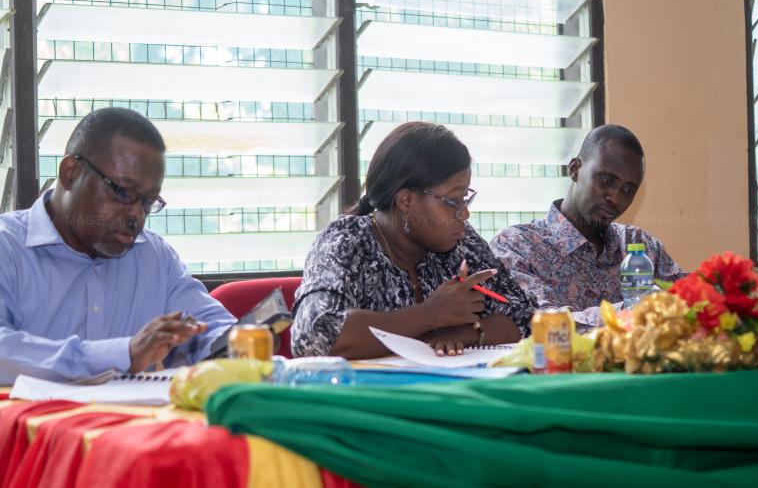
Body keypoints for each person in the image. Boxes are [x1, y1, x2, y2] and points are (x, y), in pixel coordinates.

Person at [0, 108, 236, 384]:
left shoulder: (154, 255)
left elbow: (208, 326)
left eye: (148, 201)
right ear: (70, 173)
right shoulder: (7, 246)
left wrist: (240, 343)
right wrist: (123, 354)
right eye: (123, 192)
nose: (136, 215)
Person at [292, 122, 534, 359]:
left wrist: (462, 334)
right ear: (406, 201)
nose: (465, 214)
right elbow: (315, 336)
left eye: (465, 198)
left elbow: (525, 316)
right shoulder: (346, 241)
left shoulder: (462, 242)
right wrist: (430, 315)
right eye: (453, 201)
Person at [491, 124, 683, 333]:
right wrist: (633, 311)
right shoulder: (517, 245)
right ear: (575, 169)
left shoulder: (642, 247)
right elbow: (538, 323)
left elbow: (690, 303)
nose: (616, 198)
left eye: (628, 190)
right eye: (606, 180)